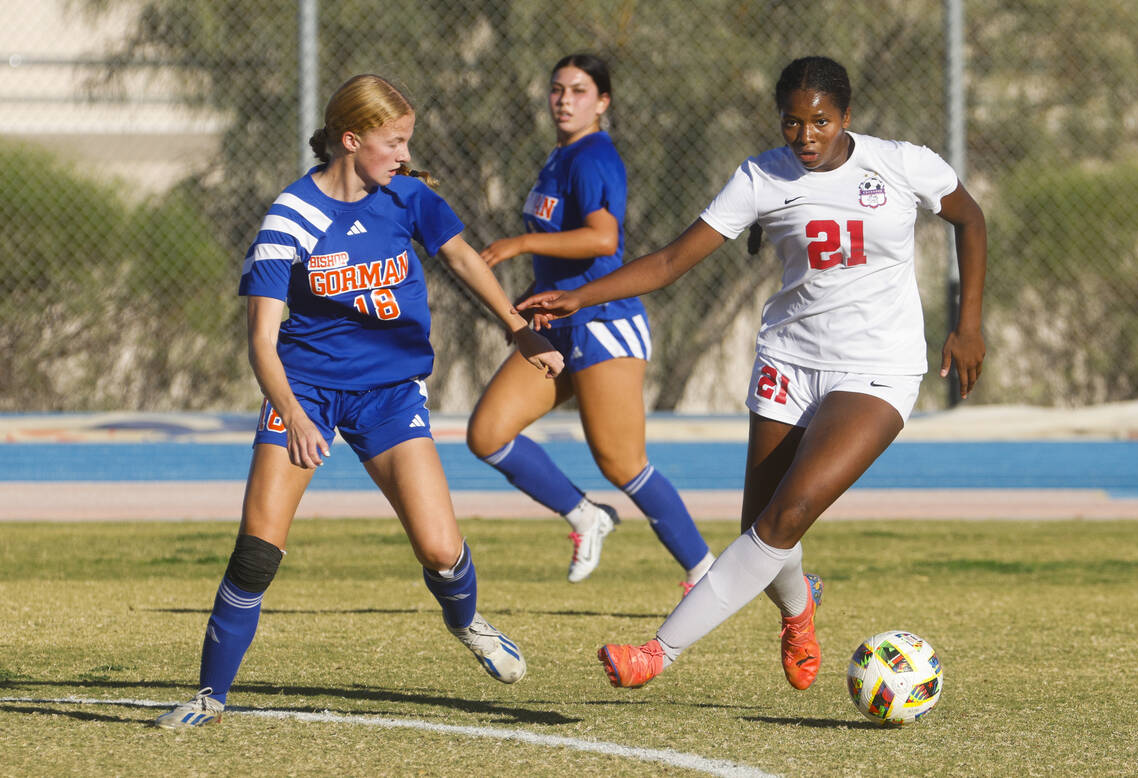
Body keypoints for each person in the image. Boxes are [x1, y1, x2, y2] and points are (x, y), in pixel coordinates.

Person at [520, 56, 987, 691]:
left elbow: (970, 218)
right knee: (761, 531)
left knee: (787, 514)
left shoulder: (902, 162)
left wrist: (968, 324)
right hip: (788, 362)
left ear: (847, 117)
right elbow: (671, 261)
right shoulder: (761, 177)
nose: (806, 137)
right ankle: (800, 612)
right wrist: (583, 296)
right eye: (793, 124)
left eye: (821, 121)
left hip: (878, 366)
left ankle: (657, 653)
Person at [155, 74, 565, 729]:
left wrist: (517, 328)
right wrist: (291, 414)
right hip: (306, 392)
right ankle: (210, 696)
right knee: (257, 551)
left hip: (388, 395)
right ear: (352, 141)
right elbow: (261, 339)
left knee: (439, 549)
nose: (405, 154)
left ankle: (468, 623)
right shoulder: (290, 216)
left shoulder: (408, 197)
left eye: (407, 141)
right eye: (393, 141)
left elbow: (462, 258)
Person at [466, 54, 714, 590]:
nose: (563, 99)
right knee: (487, 433)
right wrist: (526, 300)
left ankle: (705, 572)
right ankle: (585, 516)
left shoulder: (593, 156)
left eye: (579, 90)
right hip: (557, 323)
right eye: (557, 88)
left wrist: (520, 243)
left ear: (602, 102)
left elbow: (604, 239)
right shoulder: (558, 158)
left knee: (622, 463)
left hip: (603, 321)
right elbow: (562, 256)